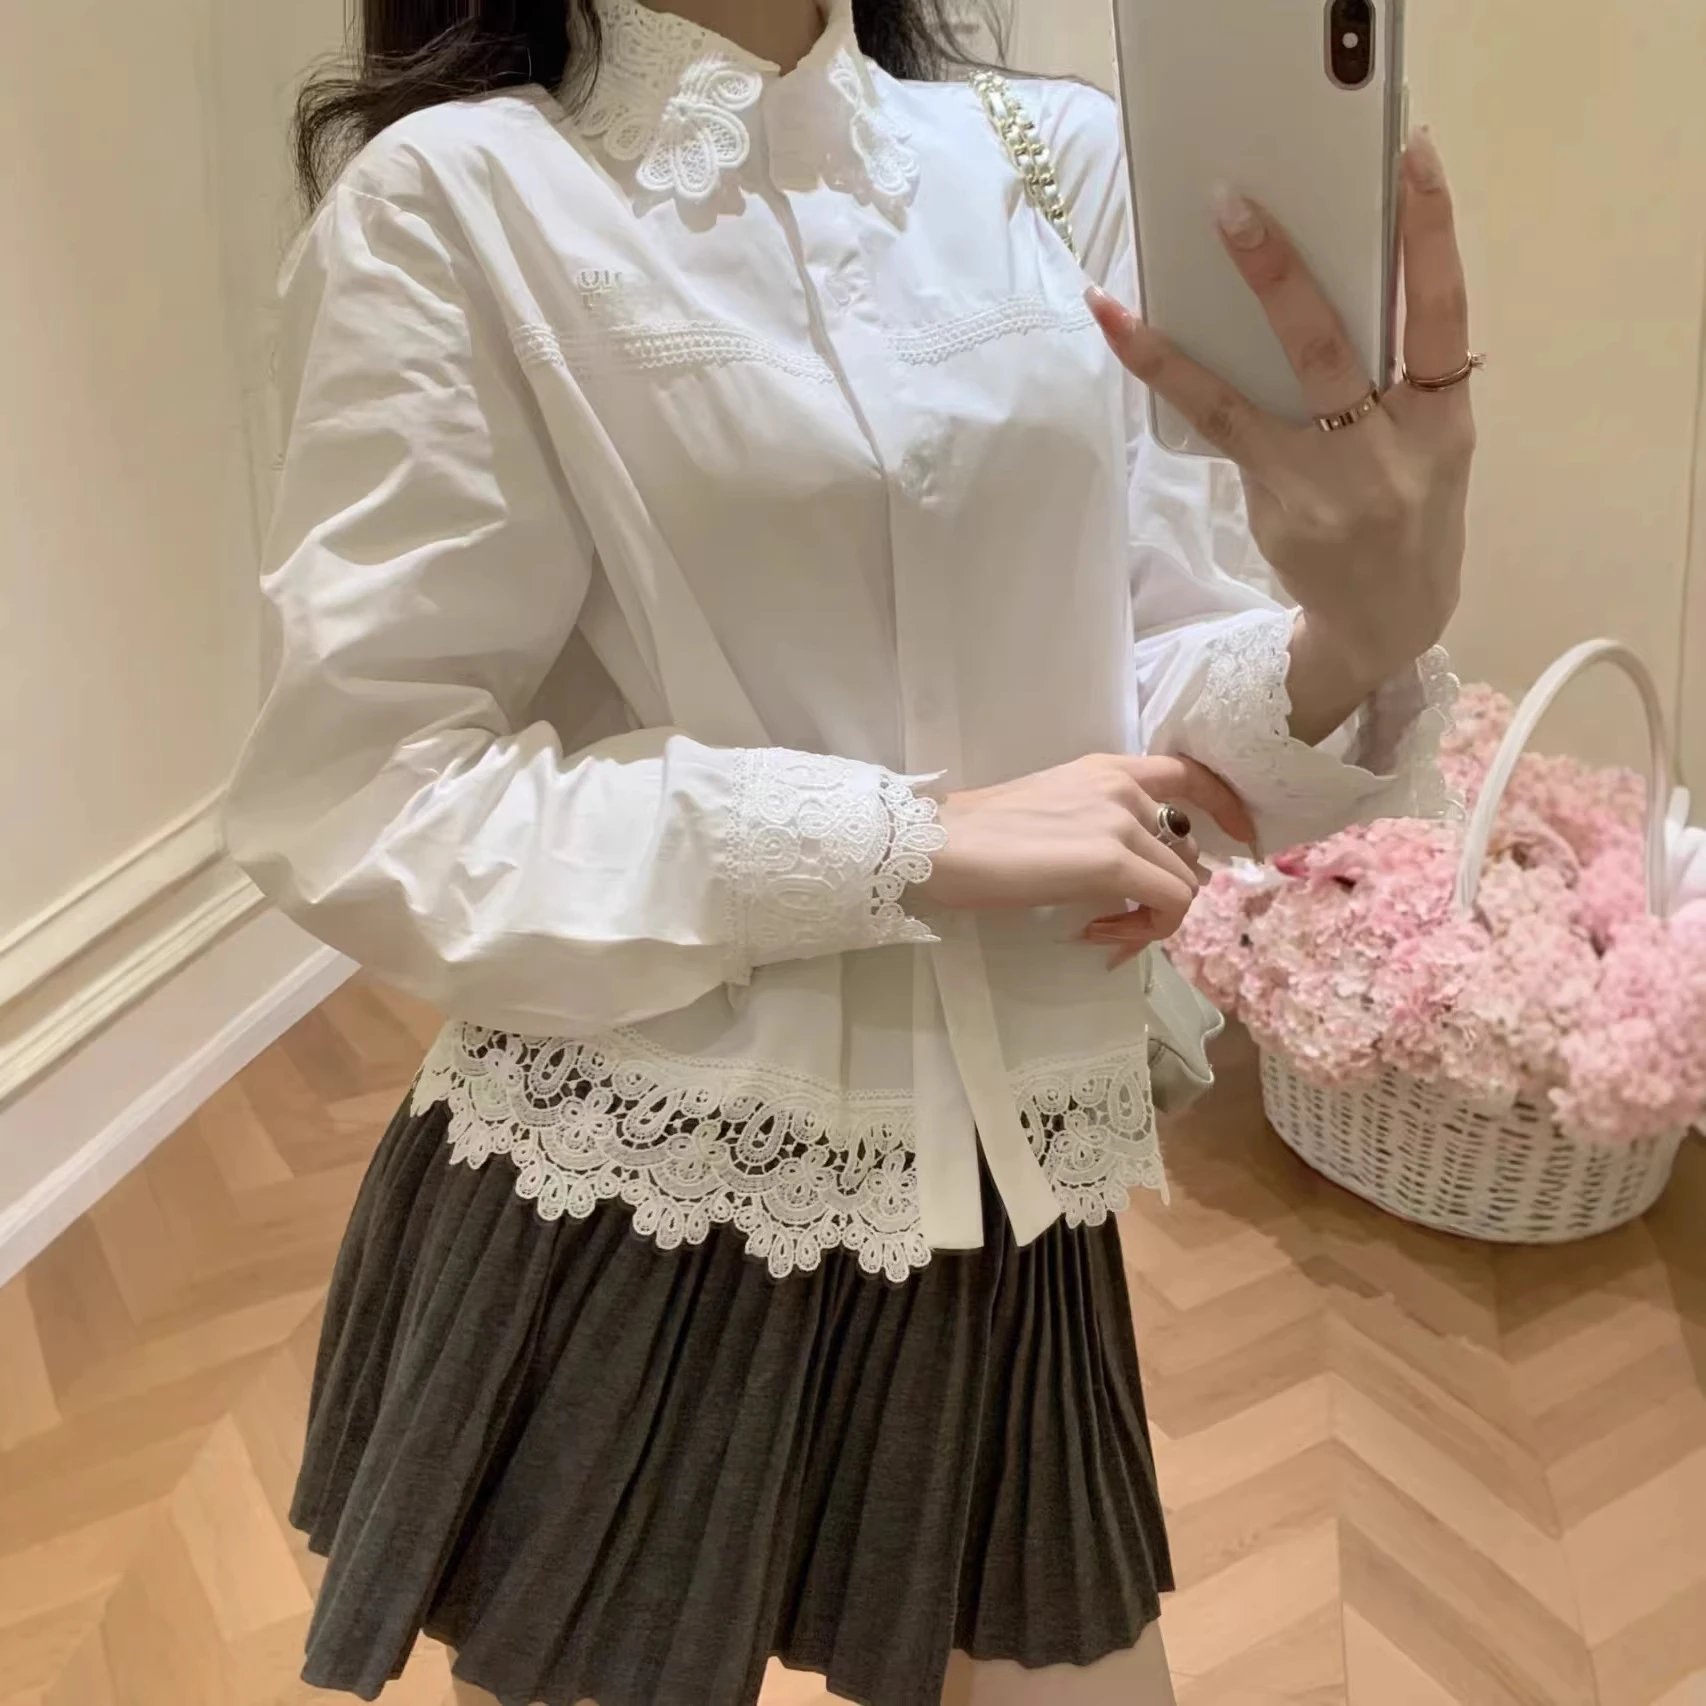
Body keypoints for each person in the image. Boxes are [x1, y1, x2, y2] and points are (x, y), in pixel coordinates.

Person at [224, 2, 1475, 1701]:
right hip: (639, 1190)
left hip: (1007, 1197)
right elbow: (371, 792)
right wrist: (900, 840)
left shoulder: (1049, 160)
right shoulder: (463, 197)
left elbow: (1148, 661)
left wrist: (1355, 633)